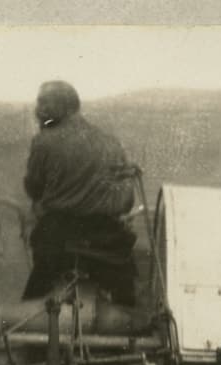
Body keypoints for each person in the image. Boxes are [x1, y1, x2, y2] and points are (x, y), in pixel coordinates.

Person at [21, 80, 138, 304]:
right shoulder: (110, 143)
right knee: (128, 305)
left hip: (58, 235)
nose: (39, 109)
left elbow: (34, 188)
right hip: (107, 237)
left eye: (44, 102)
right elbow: (126, 199)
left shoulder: (44, 141)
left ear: (63, 106)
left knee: (35, 300)